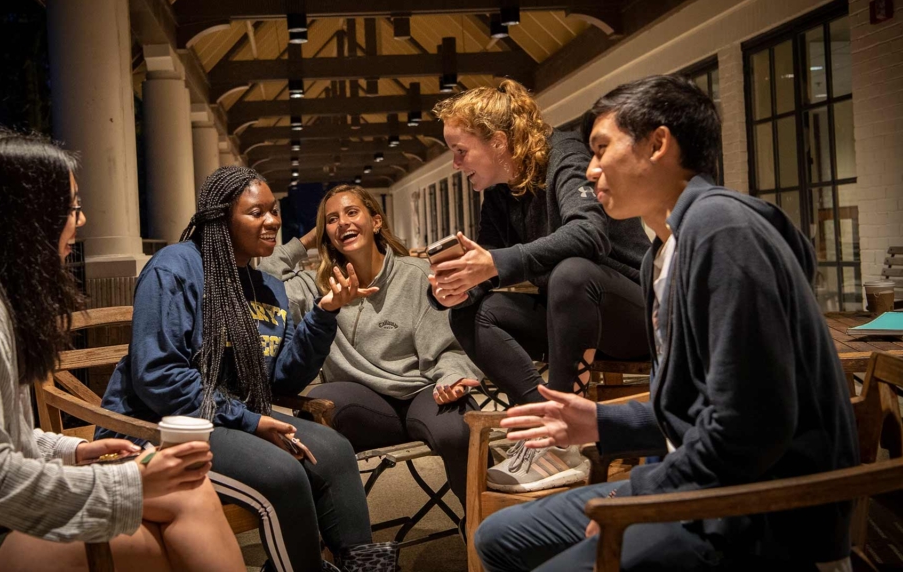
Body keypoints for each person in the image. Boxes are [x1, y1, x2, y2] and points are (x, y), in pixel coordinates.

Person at [474, 75, 860, 571]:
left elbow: (750, 429)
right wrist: (601, 422)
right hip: (696, 483)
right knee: (498, 536)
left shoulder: (723, 232)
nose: (589, 171)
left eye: (601, 148)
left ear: (658, 144)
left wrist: (640, 493)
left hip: (754, 515)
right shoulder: (660, 253)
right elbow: (695, 408)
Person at [0, 131, 244, 572]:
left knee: (190, 490)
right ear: (26, 217)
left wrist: (72, 451)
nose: (84, 219)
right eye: (72, 207)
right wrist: (133, 481)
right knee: (168, 542)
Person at [98, 167, 396, 572]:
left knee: (336, 451)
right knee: (285, 473)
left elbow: (281, 380)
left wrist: (325, 315)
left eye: (274, 211)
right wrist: (251, 420)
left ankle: (362, 568)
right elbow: (158, 376)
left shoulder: (268, 287)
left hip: (232, 416)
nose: (273, 220)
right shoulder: (177, 267)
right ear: (221, 219)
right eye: (257, 213)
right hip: (161, 425)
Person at [427, 79, 651, 493]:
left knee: (571, 272)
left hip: (630, 313)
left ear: (497, 141)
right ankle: (544, 428)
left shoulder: (563, 154)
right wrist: (457, 285)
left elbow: (589, 234)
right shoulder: (498, 191)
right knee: (475, 310)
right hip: (571, 319)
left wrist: (494, 262)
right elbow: (490, 260)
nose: (455, 163)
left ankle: (559, 441)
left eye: (460, 151)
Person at [259, 184, 483, 512]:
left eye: (352, 212)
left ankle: (487, 527)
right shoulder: (317, 286)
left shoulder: (416, 274)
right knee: (318, 414)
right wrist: (305, 242)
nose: (343, 223)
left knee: (461, 431)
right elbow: (261, 281)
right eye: (332, 220)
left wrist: (452, 378)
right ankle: (344, 545)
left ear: (375, 221)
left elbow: (450, 344)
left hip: (425, 392)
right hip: (366, 406)